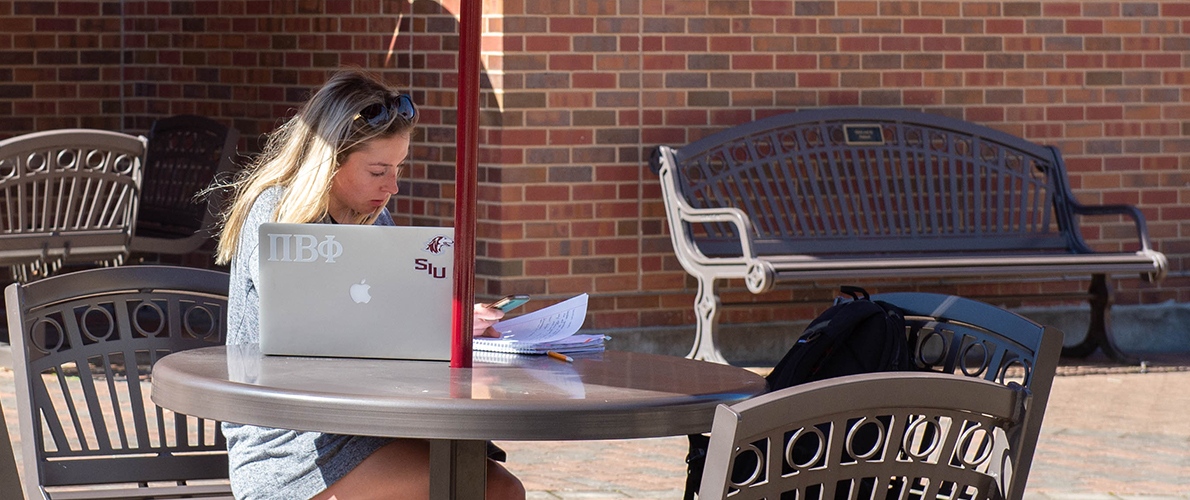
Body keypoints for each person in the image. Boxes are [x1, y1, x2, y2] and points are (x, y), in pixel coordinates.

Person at [212, 69, 526, 500]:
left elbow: (380, 333)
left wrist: (445, 320)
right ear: (330, 160)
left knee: (489, 482)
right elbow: (316, 336)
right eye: (379, 170)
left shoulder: (374, 222)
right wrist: (429, 328)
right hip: (290, 443)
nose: (392, 186)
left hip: (367, 426)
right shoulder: (276, 216)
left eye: (397, 168)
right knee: (489, 489)